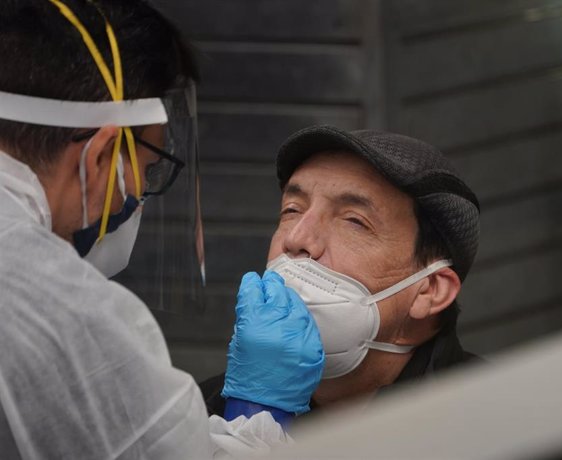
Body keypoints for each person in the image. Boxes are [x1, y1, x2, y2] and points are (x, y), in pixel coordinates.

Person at [0, 1, 323, 458]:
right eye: (148, 170)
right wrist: (257, 417)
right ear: (100, 156)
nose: (301, 240)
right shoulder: (60, 313)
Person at [202, 125, 481, 415]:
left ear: (431, 290)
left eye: (354, 221)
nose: (296, 239)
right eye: (292, 210)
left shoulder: (499, 428)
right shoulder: (198, 416)